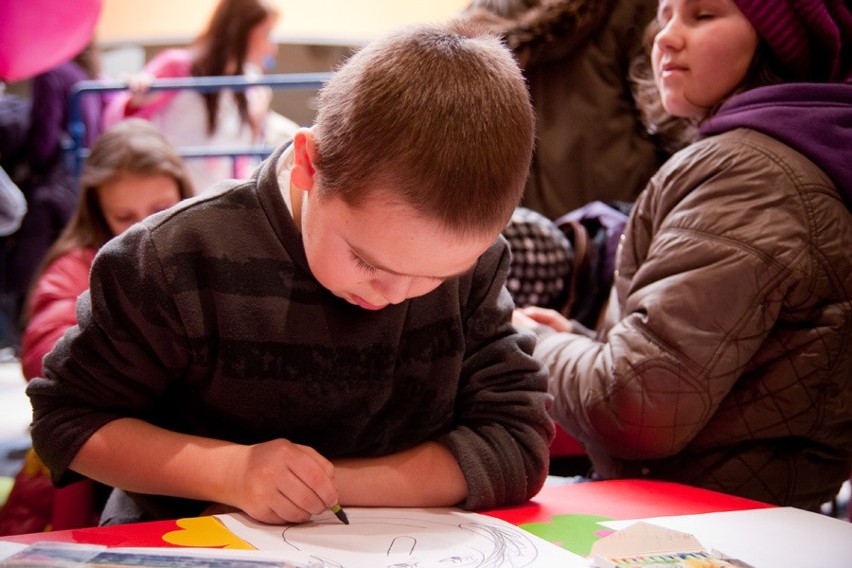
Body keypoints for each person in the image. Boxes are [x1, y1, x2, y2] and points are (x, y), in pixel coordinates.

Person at [27, 22, 554, 526]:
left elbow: (516, 439)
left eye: (437, 277)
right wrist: (229, 473)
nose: (396, 294)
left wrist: (324, 487)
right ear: (308, 162)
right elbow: (66, 421)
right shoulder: (170, 259)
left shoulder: (473, 260)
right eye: (368, 262)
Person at [513, 0, 852, 511]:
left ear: (779, 40)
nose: (665, 38)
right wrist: (582, 343)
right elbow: (714, 374)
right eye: (665, 15)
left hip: (706, 526)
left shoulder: (748, 175)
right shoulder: (783, 158)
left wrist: (526, 340)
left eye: (703, 16)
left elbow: (640, 409)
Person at [0, 119, 192, 535]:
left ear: (184, 194)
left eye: (160, 210)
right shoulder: (73, 266)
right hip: (93, 486)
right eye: (124, 216)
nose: (144, 228)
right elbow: (46, 360)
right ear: (98, 212)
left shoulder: (210, 251)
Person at [461, 0, 664, 219]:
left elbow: (667, 118)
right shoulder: (484, 15)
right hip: (598, 226)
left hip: (601, 227)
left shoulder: (477, 20)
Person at [102, 0, 291, 193]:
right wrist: (137, 99)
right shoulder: (177, 66)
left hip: (220, 200)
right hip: (176, 199)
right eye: (267, 33)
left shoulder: (249, 84)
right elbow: (121, 122)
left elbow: (244, 152)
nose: (272, 47)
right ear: (242, 30)